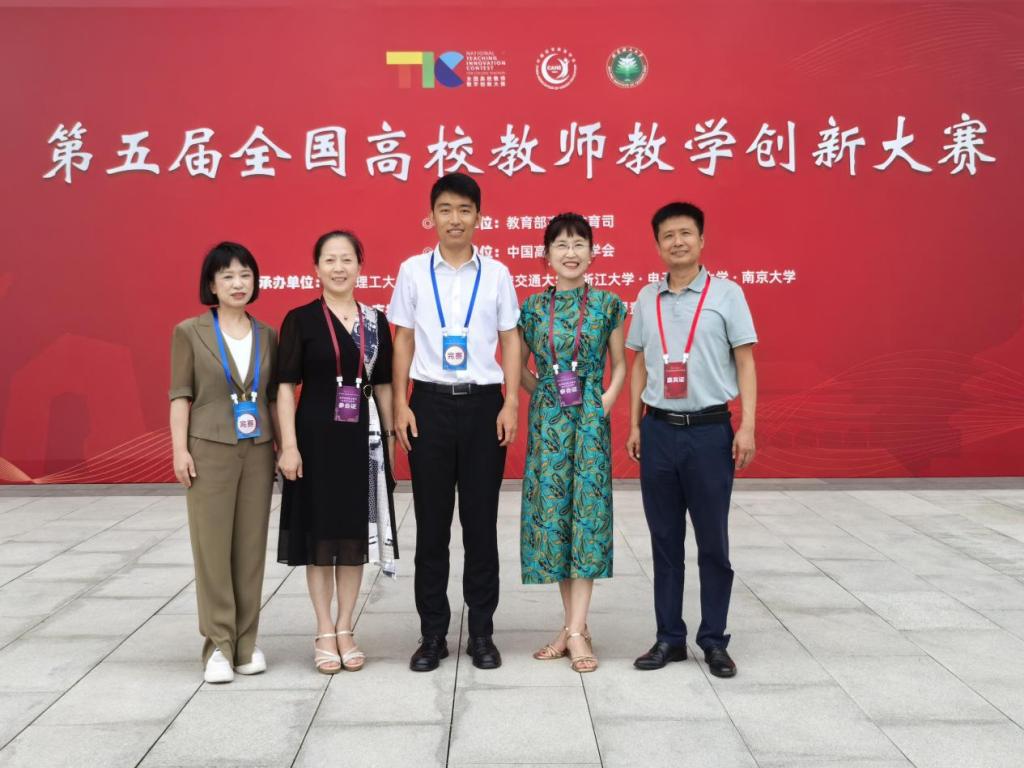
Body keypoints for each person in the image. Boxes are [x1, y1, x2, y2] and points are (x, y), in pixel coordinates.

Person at [389, 172, 520, 672]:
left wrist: (511, 402)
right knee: (432, 527)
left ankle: (482, 633)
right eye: (445, 209)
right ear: (431, 217)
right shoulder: (413, 271)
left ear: (479, 217)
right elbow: (403, 339)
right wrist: (402, 404)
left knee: (481, 526)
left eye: (465, 209)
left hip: (485, 405)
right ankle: (432, 635)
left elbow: (510, 339)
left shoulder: (498, 274)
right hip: (430, 406)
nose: (455, 218)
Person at [625, 202, 757, 677]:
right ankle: (669, 638)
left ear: (701, 240)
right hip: (658, 430)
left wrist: (747, 425)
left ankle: (714, 640)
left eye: (685, 233)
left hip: (709, 432)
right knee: (664, 541)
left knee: (713, 542)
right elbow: (638, 363)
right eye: (668, 236)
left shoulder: (727, 295)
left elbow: (745, 362)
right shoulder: (647, 298)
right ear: (657, 244)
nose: (677, 242)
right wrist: (634, 424)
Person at [276, 230, 398, 674]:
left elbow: (384, 387)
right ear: (316, 268)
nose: (339, 267)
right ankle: (324, 629)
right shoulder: (300, 320)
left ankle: (346, 627)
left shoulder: (375, 321)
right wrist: (289, 446)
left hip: (361, 442)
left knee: (352, 538)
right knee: (319, 539)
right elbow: (284, 388)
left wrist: (389, 447)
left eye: (347, 259)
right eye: (330, 260)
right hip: (313, 440)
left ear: (360, 267)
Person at [518, 213, 627, 673]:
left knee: (586, 520)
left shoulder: (608, 304)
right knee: (557, 523)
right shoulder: (531, 309)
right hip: (548, 427)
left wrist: (605, 402)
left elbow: (620, 364)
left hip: (589, 425)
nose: (570, 252)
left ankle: (576, 633)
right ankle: (572, 626)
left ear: (592, 253)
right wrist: (541, 392)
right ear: (546, 255)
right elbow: (515, 364)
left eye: (579, 243)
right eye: (561, 245)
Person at [169, 241, 278, 684]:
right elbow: (180, 395)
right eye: (228, 276)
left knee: (250, 549)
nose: (238, 283)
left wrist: (285, 447)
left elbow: (273, 397)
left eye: (245, 275)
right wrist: (179, 450)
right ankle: (218, 644)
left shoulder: (268, 334)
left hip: (258, 450)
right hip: (208, 448)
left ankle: (246, 643)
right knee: (212, 548)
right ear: (211, 284)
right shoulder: (189, 332)